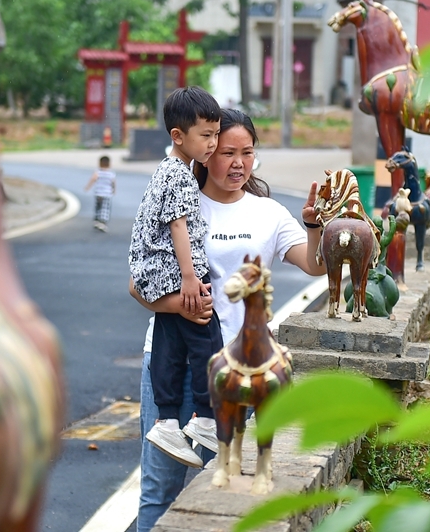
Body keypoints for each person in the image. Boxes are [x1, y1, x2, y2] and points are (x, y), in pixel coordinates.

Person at [129, 108, 326, 532]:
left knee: (226, 491)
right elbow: (138, 285)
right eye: (227, 151)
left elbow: (315, 264)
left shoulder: (268, 213)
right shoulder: (179, 202)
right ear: (205, 150)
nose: (238, 163)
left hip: (240, 375)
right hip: (173, 366)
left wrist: (314, 225)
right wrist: (181, 307)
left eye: (248, 153)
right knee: (160, 491)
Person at [128, 86, 223, 468]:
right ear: (178, 136)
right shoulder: (181, 176)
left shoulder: (165, 171)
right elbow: (178, 226)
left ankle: (166, 420)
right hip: (172, 269)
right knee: (207, 334)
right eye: (206, 135)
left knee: (170, 337)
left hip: (149, 269)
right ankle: (206, 417)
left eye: (216, 134)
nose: (213, 143)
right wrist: (188, 276)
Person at [84, 155, 116, 231]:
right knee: (105, 208)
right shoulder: (111, 174)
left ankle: (97, 220)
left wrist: (88, 187)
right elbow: (113, 183)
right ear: (109, 164)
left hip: (98, 193)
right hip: (107, 194)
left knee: (98, 206)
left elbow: (93, 179)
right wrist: (113, 190)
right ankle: (102, 222)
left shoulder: (98, 172)